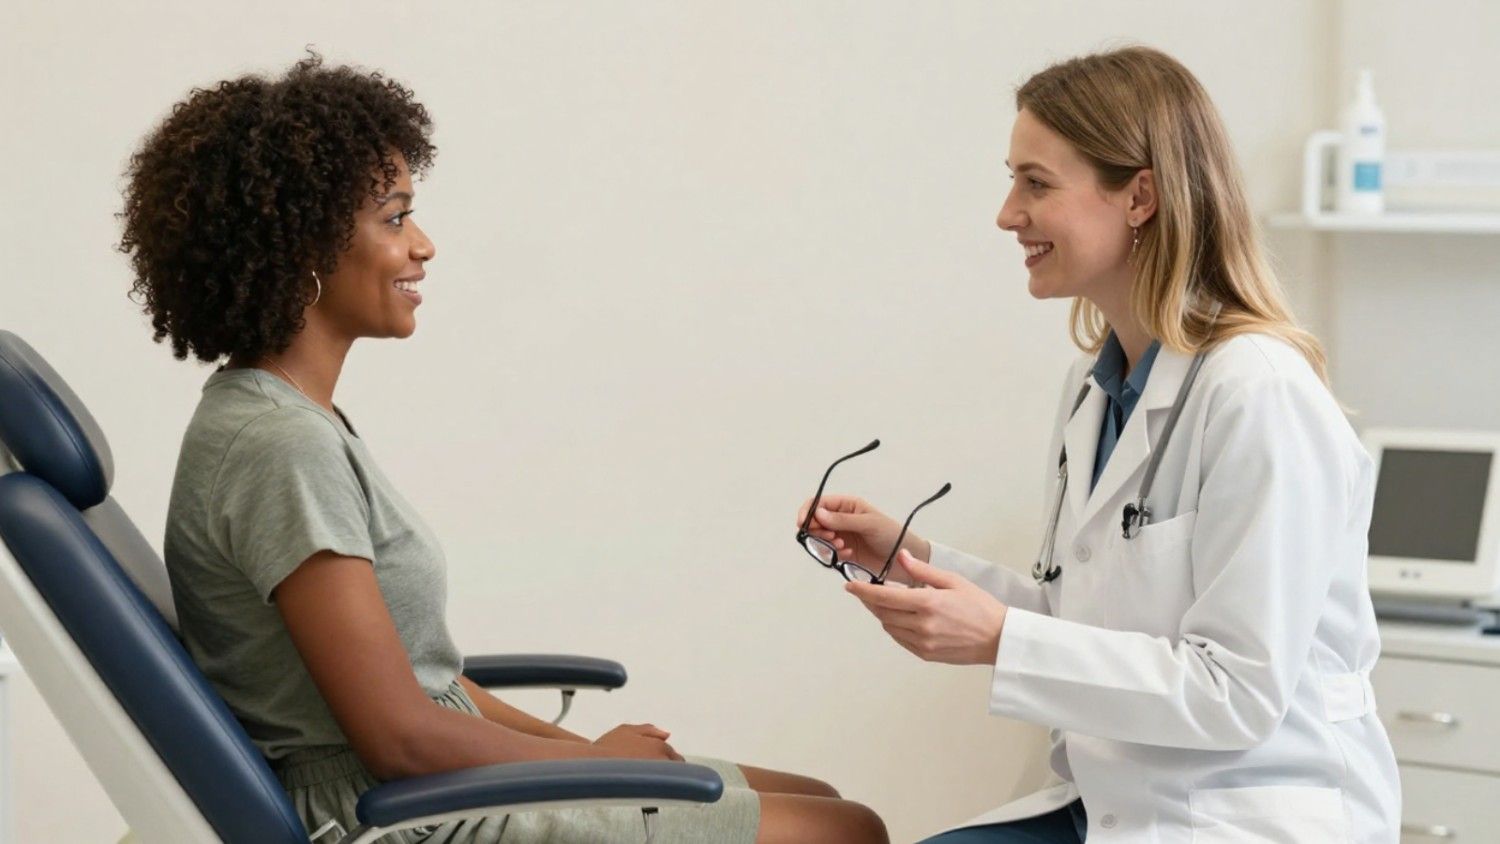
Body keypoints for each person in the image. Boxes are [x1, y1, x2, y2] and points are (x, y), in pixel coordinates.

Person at [121, 54, 887, 844]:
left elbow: (433, 688)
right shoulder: (278, 447)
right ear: (304, 248)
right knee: (845, 832)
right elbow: (400, 737)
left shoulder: (283, 420)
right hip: (397, 816)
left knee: (820, 799)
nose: (423, 246)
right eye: (394, 218)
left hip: (429, 780)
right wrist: (597, 768)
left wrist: (588, 753)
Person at [796, 47, 1399, 843]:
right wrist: (912, 560)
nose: (1007, 213)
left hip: (1244, 813)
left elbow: (1238, 693)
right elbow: (1082, 614)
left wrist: (1001, 638)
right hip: (1109, 801)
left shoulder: (1260, 394)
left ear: (1140, 196)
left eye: (1036, 183)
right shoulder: (1096, 388)